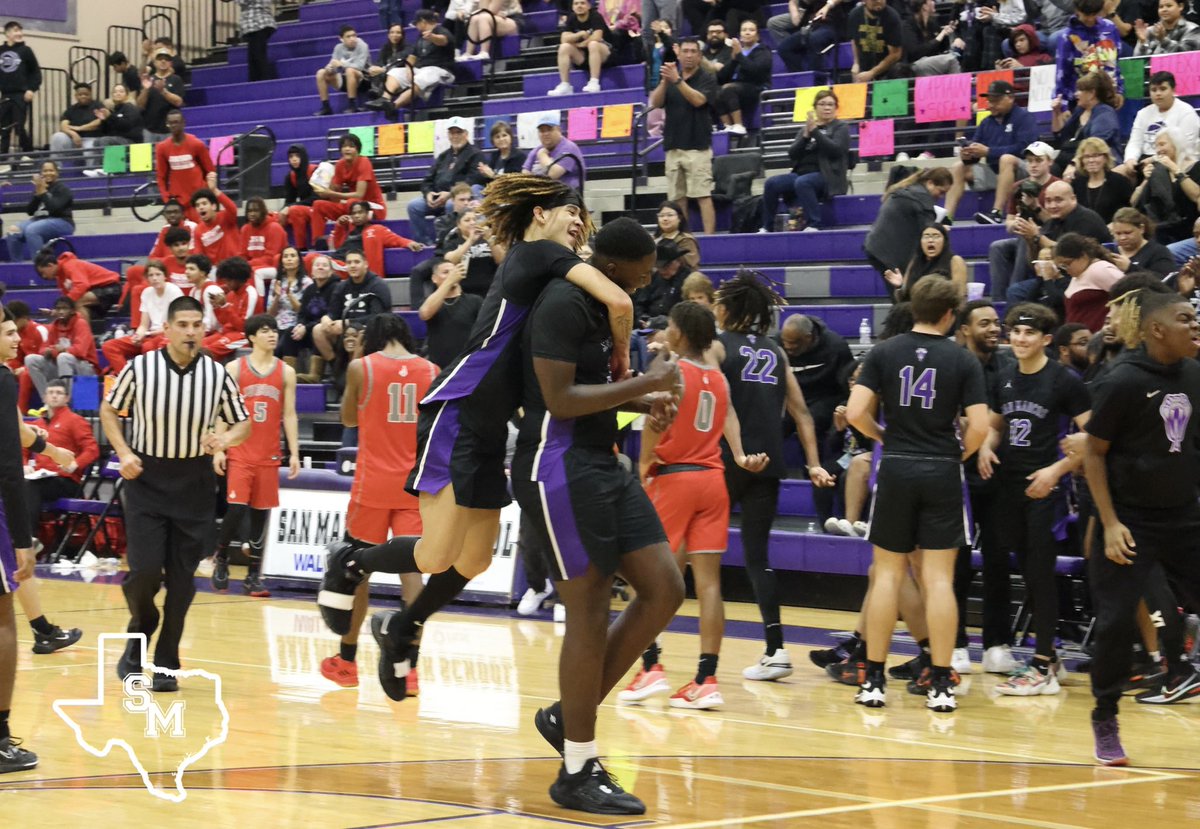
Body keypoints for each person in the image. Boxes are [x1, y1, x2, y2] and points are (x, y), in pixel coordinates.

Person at [314, 176, 635, 706]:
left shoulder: (546, 275)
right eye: (568, 211)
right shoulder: (538, 256)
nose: (578, 220)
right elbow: (620, 301)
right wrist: (622, 360)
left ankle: (402, 626)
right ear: (537, 216)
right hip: (460, 408)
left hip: (492, 426)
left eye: (583, 214)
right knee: (438, 553)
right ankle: (351, 558)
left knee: (476, 559)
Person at [510, 218, 679, 816]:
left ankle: (567, 715)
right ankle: (578, 769)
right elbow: (558, 401)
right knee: (587, 607)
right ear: (616, 266)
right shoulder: (563, 301)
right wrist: (646, 380)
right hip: (556, 466)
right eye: (645, 268)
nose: (649, 277)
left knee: (664, 587)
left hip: (598, 459)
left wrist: (642, 400)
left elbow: (588, 392)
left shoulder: (606, 304)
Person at [846, 276, 989, 712]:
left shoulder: (884, 351)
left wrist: (884, 436)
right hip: (942, 468)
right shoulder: (963, 360)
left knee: (887, 575)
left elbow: (855, 413)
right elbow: (980, 427)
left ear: (912, 307)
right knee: (939, 579)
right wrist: (959, 453)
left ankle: (872, 681)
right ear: (950, 315)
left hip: (898, 467)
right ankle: (942, 685)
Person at [101, 296, 250, 692]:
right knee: (145, 571)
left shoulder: (217, 375)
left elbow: (243, 424)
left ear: (205, 329)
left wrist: (224, 439)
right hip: (148, 479)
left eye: (197, 324)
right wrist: (123, 451)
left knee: (183, 581)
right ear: (166, 329)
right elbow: (109, 409)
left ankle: (167, 659)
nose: (190, 331)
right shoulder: (140, 368)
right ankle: (141, 627)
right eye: (182, 324)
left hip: (195, 483)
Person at [1083, 288, 1200, 765]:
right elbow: (1092, 453)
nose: (1195, 325)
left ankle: (1181, 667)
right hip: (1129, 522)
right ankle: (1105, 718)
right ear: (1156, 329)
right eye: (1186, 318)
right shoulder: (1122, 380)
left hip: (1184, 516)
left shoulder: (1195, 374)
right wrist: (1109, 523)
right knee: (1113, 626)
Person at [712, 271, 835, 680]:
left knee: (690, 551)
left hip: (729, 460)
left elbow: (719, 404)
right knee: (758, 558)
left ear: (727, 309)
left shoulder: (717, 346)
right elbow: (801, 412)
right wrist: (813, 463)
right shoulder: (775, 352)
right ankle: (776, 649)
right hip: (769, 463)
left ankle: (656, 652)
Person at [977, 303, 1090, 695]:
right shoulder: (1003, 375)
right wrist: (986, 448)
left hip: (1048, 489)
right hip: (1009, 487)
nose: (1020, 339)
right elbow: (995, 425)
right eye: (1015, 333)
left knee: (1041, 574)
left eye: (1029, 334)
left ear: (1045, 340)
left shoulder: (1065, 380)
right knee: (1027, 570)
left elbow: (1091, 438)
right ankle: (1049, 657)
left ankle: (1043, 662)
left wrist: (1055, 471)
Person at [319, 314, 435, 693]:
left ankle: (347, 661)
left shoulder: (361, 367)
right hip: (412, 484)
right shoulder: (430, 369)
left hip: (372, 483)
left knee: (356, 572)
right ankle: (409, 667)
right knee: (413, 575)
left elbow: (348, 417)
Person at [211, 315, 299, 597]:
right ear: (251, 337)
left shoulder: (286, 372)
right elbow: (223, 411)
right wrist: (219, 449)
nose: (272, 335)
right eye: (265, 331)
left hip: (269, 454)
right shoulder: (235, 368)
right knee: (236, 509)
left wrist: (295, 452)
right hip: (240, 451)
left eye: (274, 330)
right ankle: (222, 556)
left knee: (261, 517)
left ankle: (253, 576)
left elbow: (289, 414)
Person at [954, 300, 1020, 673]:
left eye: (997, 323)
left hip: (998, 476)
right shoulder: (952, 362)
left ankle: (998, 644)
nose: (995, 329)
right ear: (964, 329)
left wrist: (981, 438)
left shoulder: (1008, 367)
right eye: (985, 323)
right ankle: (957, 644)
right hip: (957, 475)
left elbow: (1003, 418)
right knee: (955, 564)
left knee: (997, 561)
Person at [0, 303, 42, 773]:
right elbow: (9, 467)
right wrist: (22, 538)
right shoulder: (3, 379)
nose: (18, 339)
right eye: (8, 331)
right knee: (3, 620)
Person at [1003, 180, 1112, 304]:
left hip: (1081, 277)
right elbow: (1033, 262)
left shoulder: (1087, 219)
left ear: (1073, 199)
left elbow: (1070, 253)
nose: (1052, 205)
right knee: (1016, 291)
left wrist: (1037, 237)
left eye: (1058, 200)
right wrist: (1030, 241)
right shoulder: (1052, 222)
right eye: (1048, 201)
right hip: (1053, 276)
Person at [946, 82, 1041, 223]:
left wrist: (989, 151)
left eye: (995, 101)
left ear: (1010, 98)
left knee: (1006, 159)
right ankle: (947, 217)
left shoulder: (1024, 117)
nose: (990, 105)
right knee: (958, 167)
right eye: (989, 101)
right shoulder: (986, 123)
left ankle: (996, 212)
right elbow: (976, 151)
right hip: (995, 173)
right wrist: (968, 155)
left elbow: (1025, 148)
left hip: (1022, 172)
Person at [650, 37, 718, 236]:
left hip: (698, 146)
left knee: (703, 196)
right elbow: (655, 102)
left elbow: (698, 100)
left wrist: (677, 81)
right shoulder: (671, 78)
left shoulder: (707, 77)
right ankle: (684, 239)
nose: (689, 55)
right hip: (673, 146)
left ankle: (709, 239)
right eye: (685, 51)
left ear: (699, 56)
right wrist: (665, 81)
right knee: (677, 200)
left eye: (693, 52)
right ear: (678, 54)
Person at [760, 89, 849, 233]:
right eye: (822, 104)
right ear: (815, 107)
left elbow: (836, 151)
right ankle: (766, 226)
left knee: (803, 182)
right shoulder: (806, 129)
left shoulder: (841, 127)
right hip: (801, 173)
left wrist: (815, 132)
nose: (827, 108)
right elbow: (792, 154)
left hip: (828, 175)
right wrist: (805, 137)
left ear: (836, 108)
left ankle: (814, 224)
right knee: (772, 183)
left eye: (831, 105)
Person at [21, 378, 98, 537]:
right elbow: (23, 449)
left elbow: (92, 449)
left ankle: (28, 539)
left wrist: (75, 464)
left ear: (67, 398)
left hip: (66, 480)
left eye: (59, 393)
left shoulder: (75, 421)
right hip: (41, 478)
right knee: (16, 484)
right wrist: (23, 464)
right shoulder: (37, 424)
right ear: (44, 397)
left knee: (29, 487)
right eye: (51, 393)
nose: (54, 396)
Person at [777, 313, 854, 454]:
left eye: (794, 343)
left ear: (808, 337)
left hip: (824, 396)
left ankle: (813, 470)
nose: (788, 346)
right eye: (785, 341)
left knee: (811, 423)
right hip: (790, 397)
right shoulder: (777, 344)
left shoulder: (836, 346)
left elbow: (846, 382)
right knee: (774, 425)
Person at [864, 168, 953, 286]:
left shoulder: (910, 190)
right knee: (905, 295)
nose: (941, 197)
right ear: (930, 183)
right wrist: (941, 230)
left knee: (903, 291)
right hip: (889, 252)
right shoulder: (922, 197)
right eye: (941, 192)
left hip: (878, 248)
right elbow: (928, 231)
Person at [407, 119, 483, 245]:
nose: (455, 136)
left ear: (466, 134)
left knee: (450, 205)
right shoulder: (443, 156)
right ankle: (424, 243)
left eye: (458, 132)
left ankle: (450, 242)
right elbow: (427, 180)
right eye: (452, 133)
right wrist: (428, 194)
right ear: (448, 135)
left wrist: (449, 194)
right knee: (413, 206)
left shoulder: (475, 154)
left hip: (456, 198)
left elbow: (473, 179)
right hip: (437, 197)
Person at [101, 260, 184, 373]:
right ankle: (128, 377)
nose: (154, 278)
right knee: (109, 346)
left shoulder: (174, 291)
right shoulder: (146, 293)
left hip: (168, 334)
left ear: (165, 276)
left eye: (158, 274)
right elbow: (143, 325)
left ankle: (148, 381)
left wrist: (152, 333)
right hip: (150, 334)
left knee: (148, 347)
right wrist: (138, 335)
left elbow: (177, 324)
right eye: (151, 275)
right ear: (147, 278)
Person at [1116, 71, 1200, 181]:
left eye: (1163, 89)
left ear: (1173, 90)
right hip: (1144, 161)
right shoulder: (1143, 113)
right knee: (1114, 175)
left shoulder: (1186, 112)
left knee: (1157, 172)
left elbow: (1184, 148)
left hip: (1174, 162)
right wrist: (1130, 160)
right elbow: (1135, 142)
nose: (1158, 93)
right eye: (1154, 90)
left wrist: (1153, 160)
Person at [311, 250, 391, 363]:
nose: (352, 265)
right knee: (318, 330)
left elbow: (378, 317)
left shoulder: (378, 285)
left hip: (371, 330)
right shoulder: (342, 286)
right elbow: (334, 312)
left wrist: (347, 323)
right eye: (349, 262)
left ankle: (357, 369)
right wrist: (327, 318)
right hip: (346, 331)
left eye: (357, 262)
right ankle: (337, 367)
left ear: (366, 264)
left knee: (356, 333)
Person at [368, 10, 456, 113]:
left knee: (424, 76)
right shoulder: (420, 37)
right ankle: (385, 99)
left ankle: (394, 105)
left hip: (442, 71)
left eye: (417, 23)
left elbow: (443, 40)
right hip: (422, 69)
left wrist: (432, 37)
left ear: (423, 21)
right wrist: (409, 69)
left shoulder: (441, 30)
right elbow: (412, 56)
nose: (416, 27)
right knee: (395, 72)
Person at [311, 133, 387, 248]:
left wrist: (331, 193)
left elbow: (359, 195)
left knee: (353, 202)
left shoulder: (364, 162)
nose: (347, 149)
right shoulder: (340, 164)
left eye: (351, 146)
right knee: (318, 205)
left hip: (373, 208)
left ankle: (352, 243)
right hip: (352, 207)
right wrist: (324, 186)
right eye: (344, 146)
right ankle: (317, 244)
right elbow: (335, 198)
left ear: (358, 149)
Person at [1131, 128, 1199, 243]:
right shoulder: (1159, 171)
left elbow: (1196, 195)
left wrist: (1174, 168)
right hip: (1161, 228)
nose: (1158, 150)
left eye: (1162, 144)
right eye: (1156, 146)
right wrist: (1146, 180)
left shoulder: (1196, 167)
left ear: (1177, 144)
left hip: (1189, 228)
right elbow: (1134, 202)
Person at [1046, 232, 1125, 330]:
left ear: (1083, 256)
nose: (1065, 269)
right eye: (1062, 266)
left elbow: (1131, 293)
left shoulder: (1100, 269)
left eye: (1067, 264)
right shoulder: (1078, 275)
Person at [1050, 70, 1122, 177]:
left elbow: (1094, 145)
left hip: (1097, 161)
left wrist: (1073, 164)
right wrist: (1056, 112)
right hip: (1072, 157)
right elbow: (1060, 135)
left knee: (1076, 174)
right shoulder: (1080, 110)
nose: (1076, 94)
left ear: (1092, 93)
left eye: (1080, 90)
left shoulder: (1105, 113)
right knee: (1049, 171)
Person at [24, 297, 98, 398]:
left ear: (72, 311)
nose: (61, 312)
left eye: (65, 309)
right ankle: (47, 399)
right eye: (58, 309)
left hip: (85, 367)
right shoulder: (55, 325)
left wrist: (61, 350)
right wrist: (49, 351)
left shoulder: (81, 323)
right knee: (30, 359)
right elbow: (42, 349)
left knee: (64, 357)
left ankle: (65, 400)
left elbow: (80, 351)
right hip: (61, 366)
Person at [1054, 0, 1124, 105]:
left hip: (1107, 96)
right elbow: (1062, 73)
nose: (1090, 19)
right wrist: (1063, 104)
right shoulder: (1066, 37)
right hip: (1079, 100)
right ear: (1077, 10)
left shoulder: (1110, 28)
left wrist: (1119, 91)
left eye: (1094, 14)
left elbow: (1116, 63)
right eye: (1086, 15)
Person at [420, 259, 484, 368]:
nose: (451, 275)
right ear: (434, 278)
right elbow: (425, 313)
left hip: (468, 365)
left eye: (453, 272)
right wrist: (450, 281)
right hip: (439, 368)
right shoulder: (431, 301)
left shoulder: (475, 300)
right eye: (445, 272)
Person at [5, 161, 73, 262]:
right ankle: (18, 265)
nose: (48, 173)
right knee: (13, 231)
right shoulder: (38, 188)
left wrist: (43, 192)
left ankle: (40, 266)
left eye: (51, 170)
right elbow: (30, 211)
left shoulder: (63, 189)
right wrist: (37, 193)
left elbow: (55, 209)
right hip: (38, 220)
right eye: (45, 171)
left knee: (33, 230)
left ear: (57, 173)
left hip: (62, 222)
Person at [282, 254, 336, 381]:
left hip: (327, 331)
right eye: (317, 265)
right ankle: (289, 375)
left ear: (331, 271)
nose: (320, 268)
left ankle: (315, 375)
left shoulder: (336, 288)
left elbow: (332, 315)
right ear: (312, 271)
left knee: (318, 330)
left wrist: (306, 328)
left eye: (324, 265)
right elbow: (302, 313)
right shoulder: (310, 289)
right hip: (307, 329)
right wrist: (300, 325)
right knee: (290, 332)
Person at [713, 20, 770, 136]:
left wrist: (739, 56)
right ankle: (728, 126)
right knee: (714, 90)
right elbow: (721, 77)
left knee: (728, 88)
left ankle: (739, 125)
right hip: (737, 89)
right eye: (744, 30)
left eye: (751, 30)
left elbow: (755, 72)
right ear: (740, 35)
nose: (747, 33)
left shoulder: (763, 51)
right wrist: (734, 60)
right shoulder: (738, 52)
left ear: (758, 35)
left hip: (757, 87)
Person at [884, 222, 968, 301]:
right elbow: (904, 299)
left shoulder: (955, 261)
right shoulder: (915, 262)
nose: (930, 240)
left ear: (944, 241)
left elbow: (960, 296)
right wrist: (899, 287)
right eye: (926, 236)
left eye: (936, 236)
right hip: (915, 312)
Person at [34, 249, 121, 322]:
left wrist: (62, 306)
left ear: (50, 265)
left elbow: (82, 285)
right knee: (71, 308)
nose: (44, 277)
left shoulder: (70, 265)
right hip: (94, 293)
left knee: (76, 301)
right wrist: (55, 311)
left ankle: (84, 336)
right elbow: (66, 298)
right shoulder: (60, 278)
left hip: (110, 287)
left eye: (43, 273)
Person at [548, 0, 614, 96]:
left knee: (593, 44)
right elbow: (564, 39)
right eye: (576, 3)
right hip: (584, 56)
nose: (579, 6)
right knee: (564, 47)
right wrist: (580, 34)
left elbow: (597, 37)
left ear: (588, 6)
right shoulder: (571, 18)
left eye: (582, 3)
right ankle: (565, 84)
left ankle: (594, 82)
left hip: (605, 54)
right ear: (572, 7)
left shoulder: (595, 16)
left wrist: (580, 44)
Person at [203, 257, 260, 360]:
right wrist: (216, 307)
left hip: (245, 335)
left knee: (208, 351)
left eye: (229, 280)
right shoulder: (231, 294)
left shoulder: (250, 293)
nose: (226, 283)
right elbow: (225, 322)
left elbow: (243, 327)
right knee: (198, 345)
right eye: (225, 280)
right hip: (227, 333)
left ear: (239, 278)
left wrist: (225, 306)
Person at [154, 111, 215, 207]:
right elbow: (161, 176)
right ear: (167, 124)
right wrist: (167, 199)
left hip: (198, 201)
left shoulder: (197, 144)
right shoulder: (162, 148)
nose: (173, 125)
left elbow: (210, 171)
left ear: (183, 123)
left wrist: (207, 195)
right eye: (170, 123)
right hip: (178, 202)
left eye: (176, 122)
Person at [771, 0, 845, 76]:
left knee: (813, 38)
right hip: (813, 26)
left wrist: (828, 6)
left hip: (831, 25)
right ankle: (800, 78)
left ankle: (816, 80)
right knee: (784, 48)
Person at [1069, 138, 1134, 223]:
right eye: (1087, 156)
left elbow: (1127, 212)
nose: (1091, 160)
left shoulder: (1119, 181)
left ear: (1105, 158)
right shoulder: (1077, 183)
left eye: (1096, 155)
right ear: (1082, 160)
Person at [441, 207, 501, 297]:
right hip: (465, 292)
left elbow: (502, 260)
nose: (472, 223)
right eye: (467, 220)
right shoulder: (452, 242)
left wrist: (490, 239)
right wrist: (470, 241)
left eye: (474, 219)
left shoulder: (487, 239)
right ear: (459, 225)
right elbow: (450, 261)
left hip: (491, 289)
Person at [268, 247, 312, 369]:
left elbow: (304, 312)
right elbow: (271, 314)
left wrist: (289, 295)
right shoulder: (276, 282)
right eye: (286, 256)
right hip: (278, 324)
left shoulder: (307, 282)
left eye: (292, 256)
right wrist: (277, 297)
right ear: (281, 261)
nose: (289, 259)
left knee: (287, 334)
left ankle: (283, 371)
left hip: (297, 324)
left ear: (299, 260)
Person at [0, 21, 39, 157]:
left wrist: (31, 89)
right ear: (7, 33)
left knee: (19, 127)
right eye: (16, 30)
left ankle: (28, 154)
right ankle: (3, 158)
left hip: (20, 95)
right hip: (4, 94)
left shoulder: (26, 51)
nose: (20, 33)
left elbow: (36, 72)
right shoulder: (0, 51)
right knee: (3, 128)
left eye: (20, 30)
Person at [315, 25, 370, 115]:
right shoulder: (338, 48)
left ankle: (352, 105)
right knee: (321, 73)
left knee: (350, 70)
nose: (352, 39)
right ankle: (326, 107)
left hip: (364, 79)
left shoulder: (363, 45)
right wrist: (329, 68)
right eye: (348, 37)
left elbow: (360, 66)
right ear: (341, 39)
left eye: (354, 35)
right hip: (346, 79)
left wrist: (342, 64)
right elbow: (333, 63)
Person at [522, 113, 585, 191]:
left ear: (559, 130)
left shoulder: (570, 148)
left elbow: (552, 175)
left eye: (549, 130)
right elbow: (524, 175)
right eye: (542, 131)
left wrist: (542, 155)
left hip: (567, 196)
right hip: (542, 196)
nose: (546, 134)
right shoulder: (535, 151)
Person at [88, 84, 144, 171]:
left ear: (126, 95)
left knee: (106, 140)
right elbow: (106, 131)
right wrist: (104, 120)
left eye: (121, 91)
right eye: (115, 92)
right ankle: (97, 169)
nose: (118, 93)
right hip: (117, 140)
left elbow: (126, 125)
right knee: (97, 141)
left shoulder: (130, 108)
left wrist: (110, 116)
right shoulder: (114, 110)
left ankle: (111, 169)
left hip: (132, 142)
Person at [190, 174, 243, 267]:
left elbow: (232, 208)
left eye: (204, 203)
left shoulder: (225, 217)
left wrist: (214, 190)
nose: (201, 207)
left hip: (236, 265)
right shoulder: (198, 230)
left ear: (214, 206)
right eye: (197, 205)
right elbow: (199, 255)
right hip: (216, 271)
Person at [241, 196, 288, 300]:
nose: (252, 214)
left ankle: (259, 306)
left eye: (256, 210)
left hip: (276, 267)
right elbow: (243, 254)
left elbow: (270, 257)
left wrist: (247, 265)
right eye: (249, 211)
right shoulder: (245, 229)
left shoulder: (274, 228)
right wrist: (240, 266)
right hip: (253, 266)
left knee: (254, 272)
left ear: (263, 211)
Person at [847, 0, 904, 83]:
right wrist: (856, 63)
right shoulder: (855, 15)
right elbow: (854, 40)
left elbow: (895, 54)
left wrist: (872, 72)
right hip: (864, 70)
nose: (879, 1)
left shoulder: (892, 17)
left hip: (889, 72)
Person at [902, 0, 963, 76]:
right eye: (931, 0)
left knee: (955, 54)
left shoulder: (932, 23)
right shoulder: (908, 25)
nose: (934, 2)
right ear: (924, 6)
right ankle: (958, 87)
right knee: (951, 60)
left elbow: (942, 48)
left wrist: (951, 38)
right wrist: (939, 37)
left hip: (931, 62)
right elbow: (914, 53)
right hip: (915, 64)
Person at [1111, 207, 1176, 276]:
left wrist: (1130, 268)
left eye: (1127, 233)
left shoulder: (1159, 252)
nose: (1122, 238)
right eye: (1118, 233)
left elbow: (1164, 280)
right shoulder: (1109, 251)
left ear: (1141, 229)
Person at [138, 50, 185, 143]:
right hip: (149, 129)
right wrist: (145, 89)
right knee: (150, 157)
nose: (163, 61)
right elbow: (140, 105)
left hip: (170, 129)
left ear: (170, 63)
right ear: (154, 63)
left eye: (166, 59)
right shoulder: (148, 79)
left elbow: (179, 102)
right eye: (160, 59)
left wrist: (163, 91)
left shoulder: (176, 79)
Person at [48, 84, 103, 160]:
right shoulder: (71, 109)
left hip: (92, 139)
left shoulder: (98, 106)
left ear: (90, 94)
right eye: (80, 94)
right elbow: (63, 125)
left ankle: (90, 171)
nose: (83, 96)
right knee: (57, 136)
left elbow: (100, 122)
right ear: (76, 96)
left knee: (89, 150)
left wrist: (80, 128)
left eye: (86, 94)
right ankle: (56, 167)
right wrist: (73, 134)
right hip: (73, 140)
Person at [278, 144, 317, 249]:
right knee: (272, 216)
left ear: (303, 156)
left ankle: (301, 247)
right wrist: (282, 211)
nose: (294, 159)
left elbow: (317, 197)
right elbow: (289, 200)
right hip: (302, 208)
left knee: (295, 210)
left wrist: (290, 207)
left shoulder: (314, 171)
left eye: (297, 156)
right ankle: (279, 247)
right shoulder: (290, 176)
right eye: (291, 157)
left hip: (318, 209)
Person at [474, 120, 526, 196]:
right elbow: (487, 182)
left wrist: (493, 175)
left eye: (504, 135)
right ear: (493, 141)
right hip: (493, 192)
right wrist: (483, 173)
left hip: (510, 194)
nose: (501, 139)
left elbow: (513, 183)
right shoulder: (495, 156)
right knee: (475, 188)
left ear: (511, 137)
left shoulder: (519, 156)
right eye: (497, 137)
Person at [1133, 0, 1200, 53]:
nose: (1164, 9)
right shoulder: (1150, 31)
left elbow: (1187, 57)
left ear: (1180, 6)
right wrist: (1143, 43)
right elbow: (1137, 62)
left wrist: (1163, 40)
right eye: (1161, 7)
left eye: (1169, 6)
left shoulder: (1192, 29)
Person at [238, 0, 277, 82]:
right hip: (257, 23)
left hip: (258, 22)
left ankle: (263, 81)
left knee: (257, 55)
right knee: (253, 56)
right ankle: (256, 81)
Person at [653, 201, 700, 270]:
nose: (665, 219)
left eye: (670, 215)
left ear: (680, 218)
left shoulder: (686, 240)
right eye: (661, 215)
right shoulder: (652, 240)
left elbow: (689, 265)